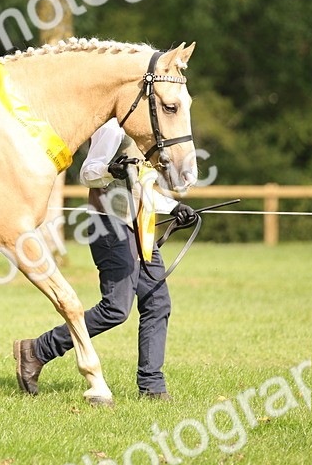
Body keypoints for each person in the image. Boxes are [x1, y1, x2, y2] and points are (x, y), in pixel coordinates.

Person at [14, 117, 198, 401]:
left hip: (139, 225)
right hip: (109, 226)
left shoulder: (146, 134)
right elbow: (88, 173)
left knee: (157, 303)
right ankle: (38, 350)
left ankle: (152, 386)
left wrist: (174, 207)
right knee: (116, 309)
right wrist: (111, 170)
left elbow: (140, 189)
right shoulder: (112, 128)